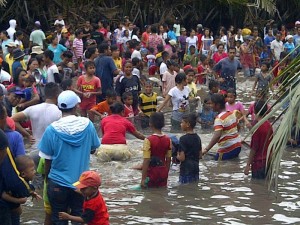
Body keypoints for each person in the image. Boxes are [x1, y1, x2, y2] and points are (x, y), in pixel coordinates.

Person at [38, 90, 101, 224]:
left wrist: (47, 182)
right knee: (79, 216)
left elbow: (47, 161)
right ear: (76, 106)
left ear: (59, 106)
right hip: (81, 185)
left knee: (58, 218)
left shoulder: (51, 129)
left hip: (57, 183)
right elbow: (94, 148)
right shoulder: (87, 125)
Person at [12, 82, 62, 147]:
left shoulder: (33, 109)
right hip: (52, 149)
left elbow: (12, 119)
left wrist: (27, 134)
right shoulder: (59, 112)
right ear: (57, 95)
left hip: (36, 147)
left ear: (45, 94)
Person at [1, 155, 40, 225]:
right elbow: (3, 195)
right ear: (23, 174)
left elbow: (28, 188)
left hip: (14, 209)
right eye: (32, 170)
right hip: (6, 209)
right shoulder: (16, 184)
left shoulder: (25, 182)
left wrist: (32, 193)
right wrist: (17, 201)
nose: (35, 172)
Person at [202, 94, 241, 160]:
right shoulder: (231, 113)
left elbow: (217, 136)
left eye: (212, 104)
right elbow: (238, 127)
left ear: (218, 105)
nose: (210, 106)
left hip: (227, 150)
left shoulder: (219, 119)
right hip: (238, 147)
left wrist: (206, 149)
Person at [140, 112, 171, 188]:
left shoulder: (148, 140)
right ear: (163, 124)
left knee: (150, 194)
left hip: (152, 172)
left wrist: (143, 179)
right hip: (163, 172)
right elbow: (168, 159)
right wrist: (166, 173)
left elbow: (146, 160)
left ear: (150, 124)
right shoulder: (168, 139)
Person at [244, 100, 273, 179]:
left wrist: (248, 165)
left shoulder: (257, 128)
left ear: (254, 110)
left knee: (256, 187)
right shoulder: (269, 125)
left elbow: (254, 148)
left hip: (258, 164)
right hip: (268, 162)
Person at [177, 113, 202, 184]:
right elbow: (200, 155)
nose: (180, 124)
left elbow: (182, 158)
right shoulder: (198, 138)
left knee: (184, 189)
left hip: (186, 169)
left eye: (182, 122)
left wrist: (176, 155)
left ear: (188, 124)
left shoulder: (183, 139)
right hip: (196, 168)